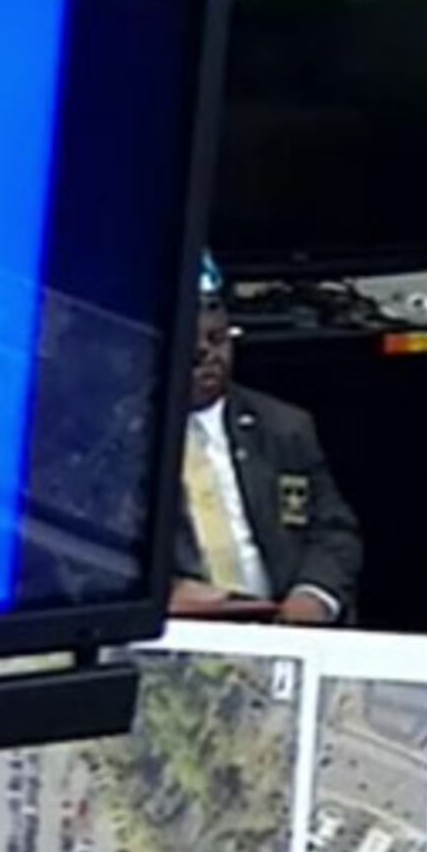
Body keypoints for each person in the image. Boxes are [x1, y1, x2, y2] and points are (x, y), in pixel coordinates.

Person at [172, 256, 362, 625]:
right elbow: (91, 556)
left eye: (218, 340)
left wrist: (313, 594)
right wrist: (165, 592)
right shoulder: (122, 437)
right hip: (179, 629)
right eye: (191, 349)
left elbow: (334, 531)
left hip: (276, 621)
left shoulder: (284, 427)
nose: (207, 358)